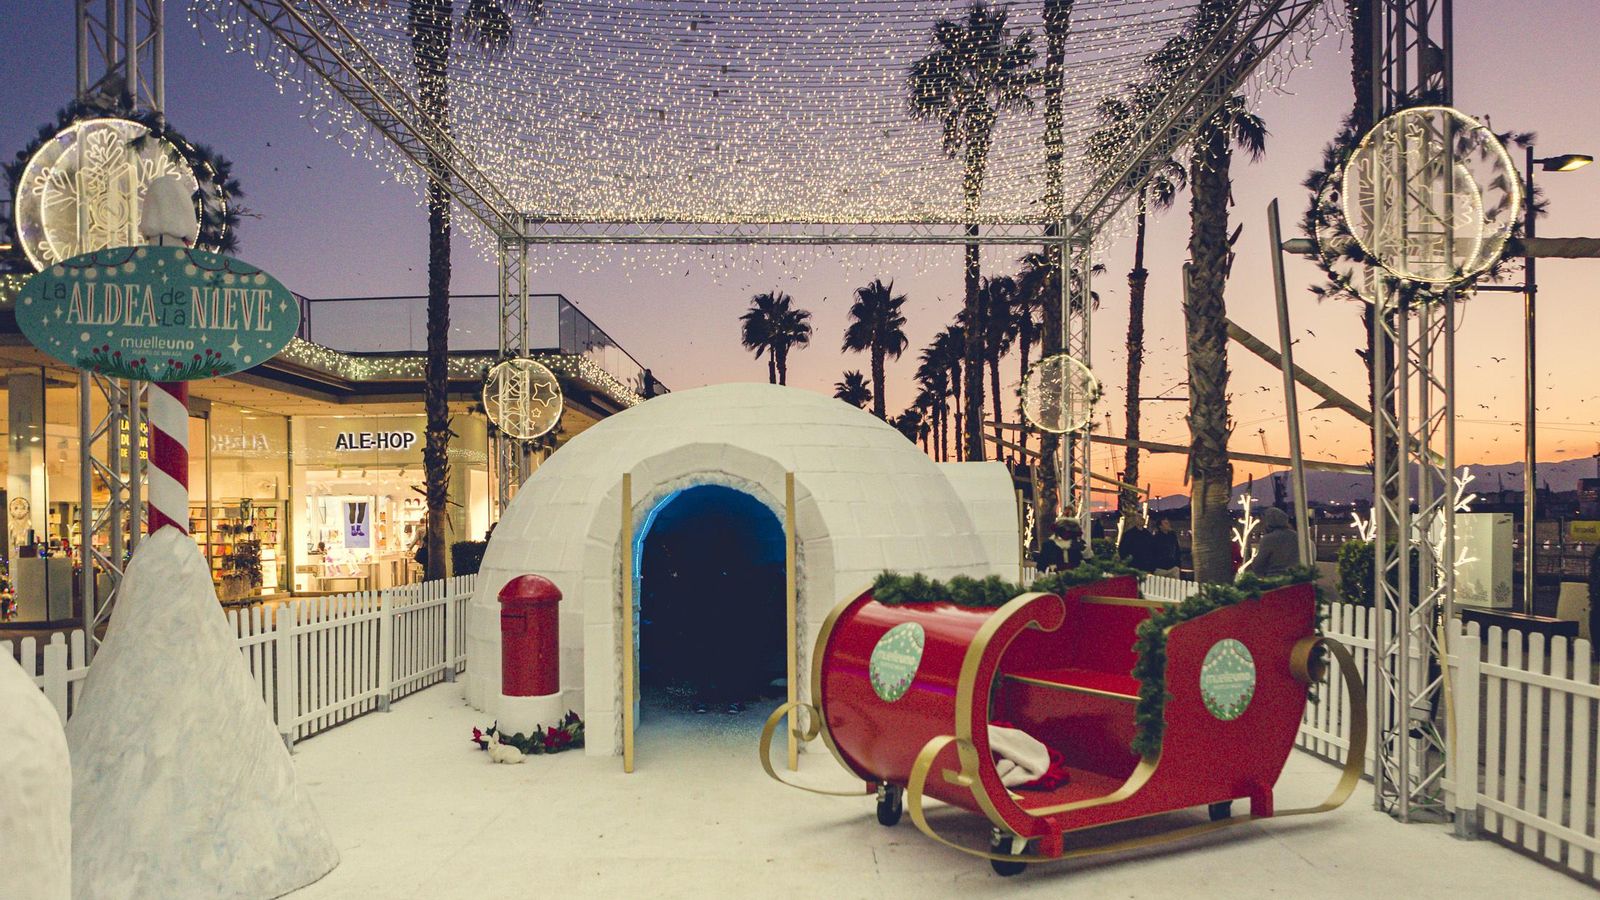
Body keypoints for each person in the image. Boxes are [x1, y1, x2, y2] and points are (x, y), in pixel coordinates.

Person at [1252, 507, 1300, 577]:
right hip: (1297, 578)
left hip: (1275, 580)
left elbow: (1258, 565)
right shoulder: (1297, 537)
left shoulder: (1268, 539)